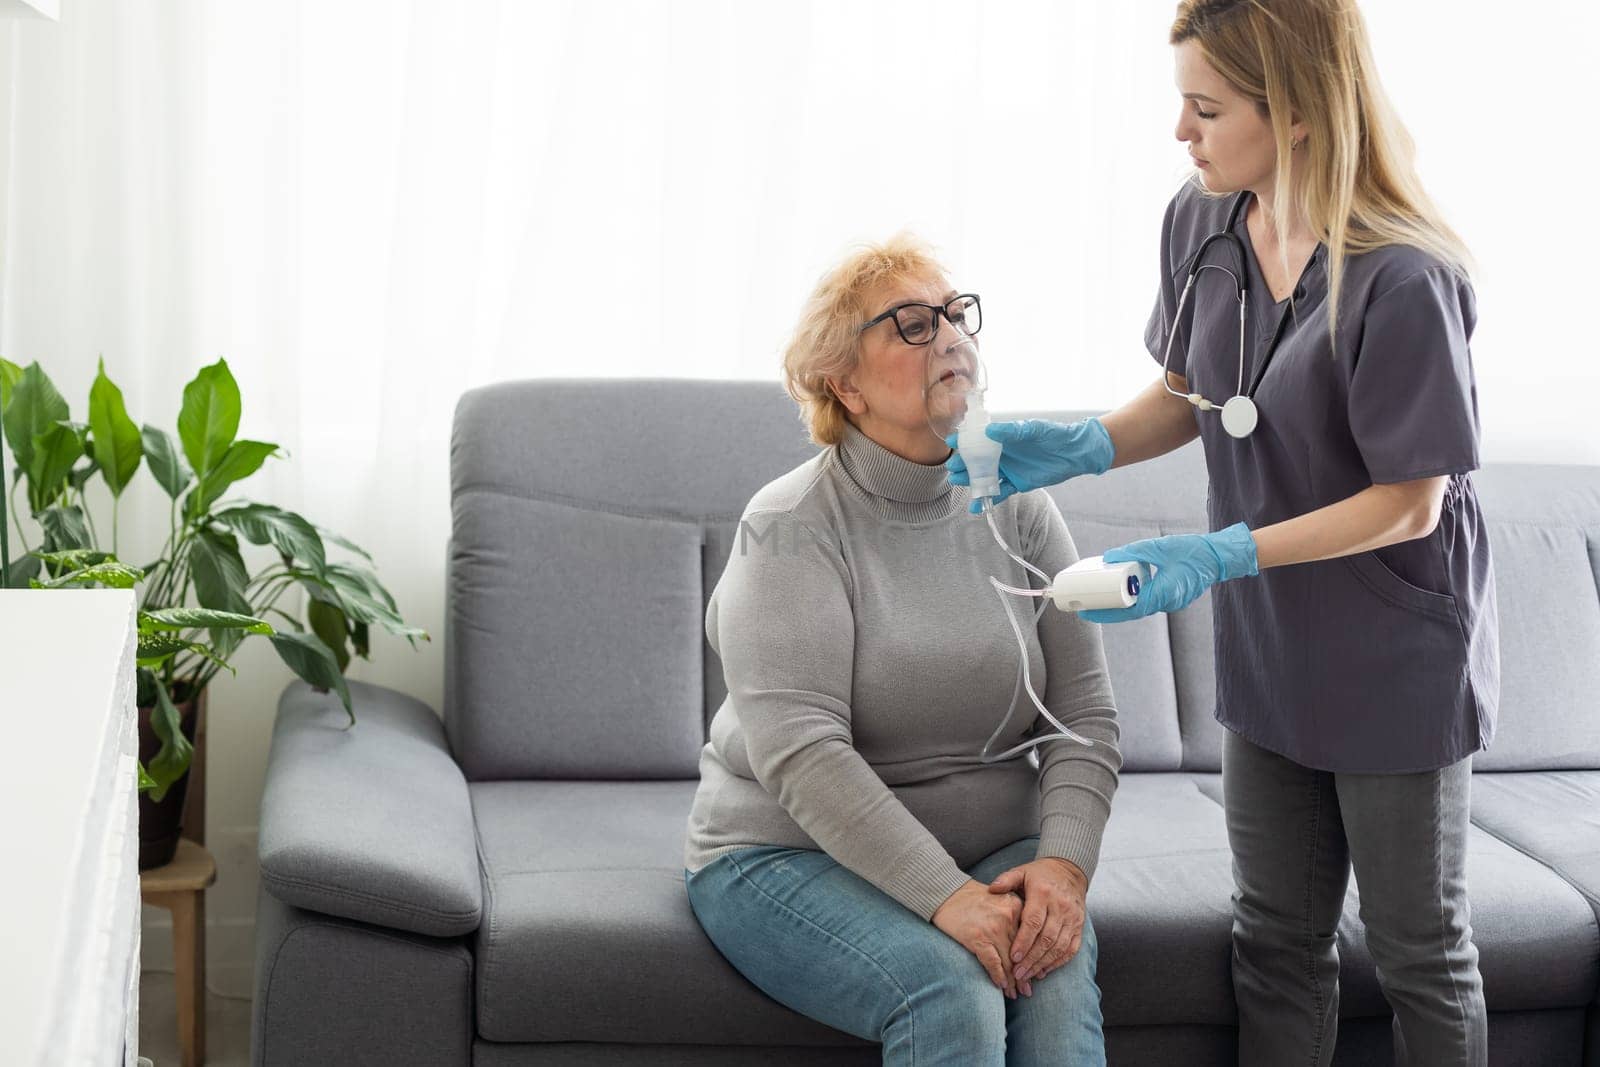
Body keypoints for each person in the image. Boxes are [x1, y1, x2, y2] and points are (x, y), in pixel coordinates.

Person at [949, 2, 1496, 1063]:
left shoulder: (1403, 274)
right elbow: (1192, 393)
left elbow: (1411, 498)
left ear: (1293, 110)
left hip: (1393, 651)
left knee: (1419, 950)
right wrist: (1086, 443)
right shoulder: (1200, 222)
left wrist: (1221, 552)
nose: (1181, 133)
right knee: (1274, 938)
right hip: (1269, 644)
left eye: (1205, 108)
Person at [683, 234, 1123, 1066]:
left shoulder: (1021, 507)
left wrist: (1063, 867)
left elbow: (1085, 717)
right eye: (912, 324)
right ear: (845, 384)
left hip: (996, 848)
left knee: (1055, 988)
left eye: (956, 314)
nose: (951, 334)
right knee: (949, 987)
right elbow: (804, 755)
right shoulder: (789, 527)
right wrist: (946, 897)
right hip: (784, 853)